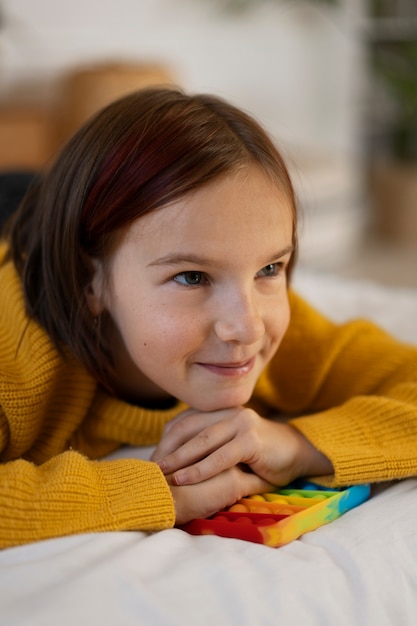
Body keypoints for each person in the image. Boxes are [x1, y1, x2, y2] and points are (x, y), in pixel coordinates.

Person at [1, 87, 416, 549]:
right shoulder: (15, 357)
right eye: (193, 277)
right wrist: (158, 494)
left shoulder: (273, 328)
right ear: (88, 282)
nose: (247, 327)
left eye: (269, 268)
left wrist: (297, 446)